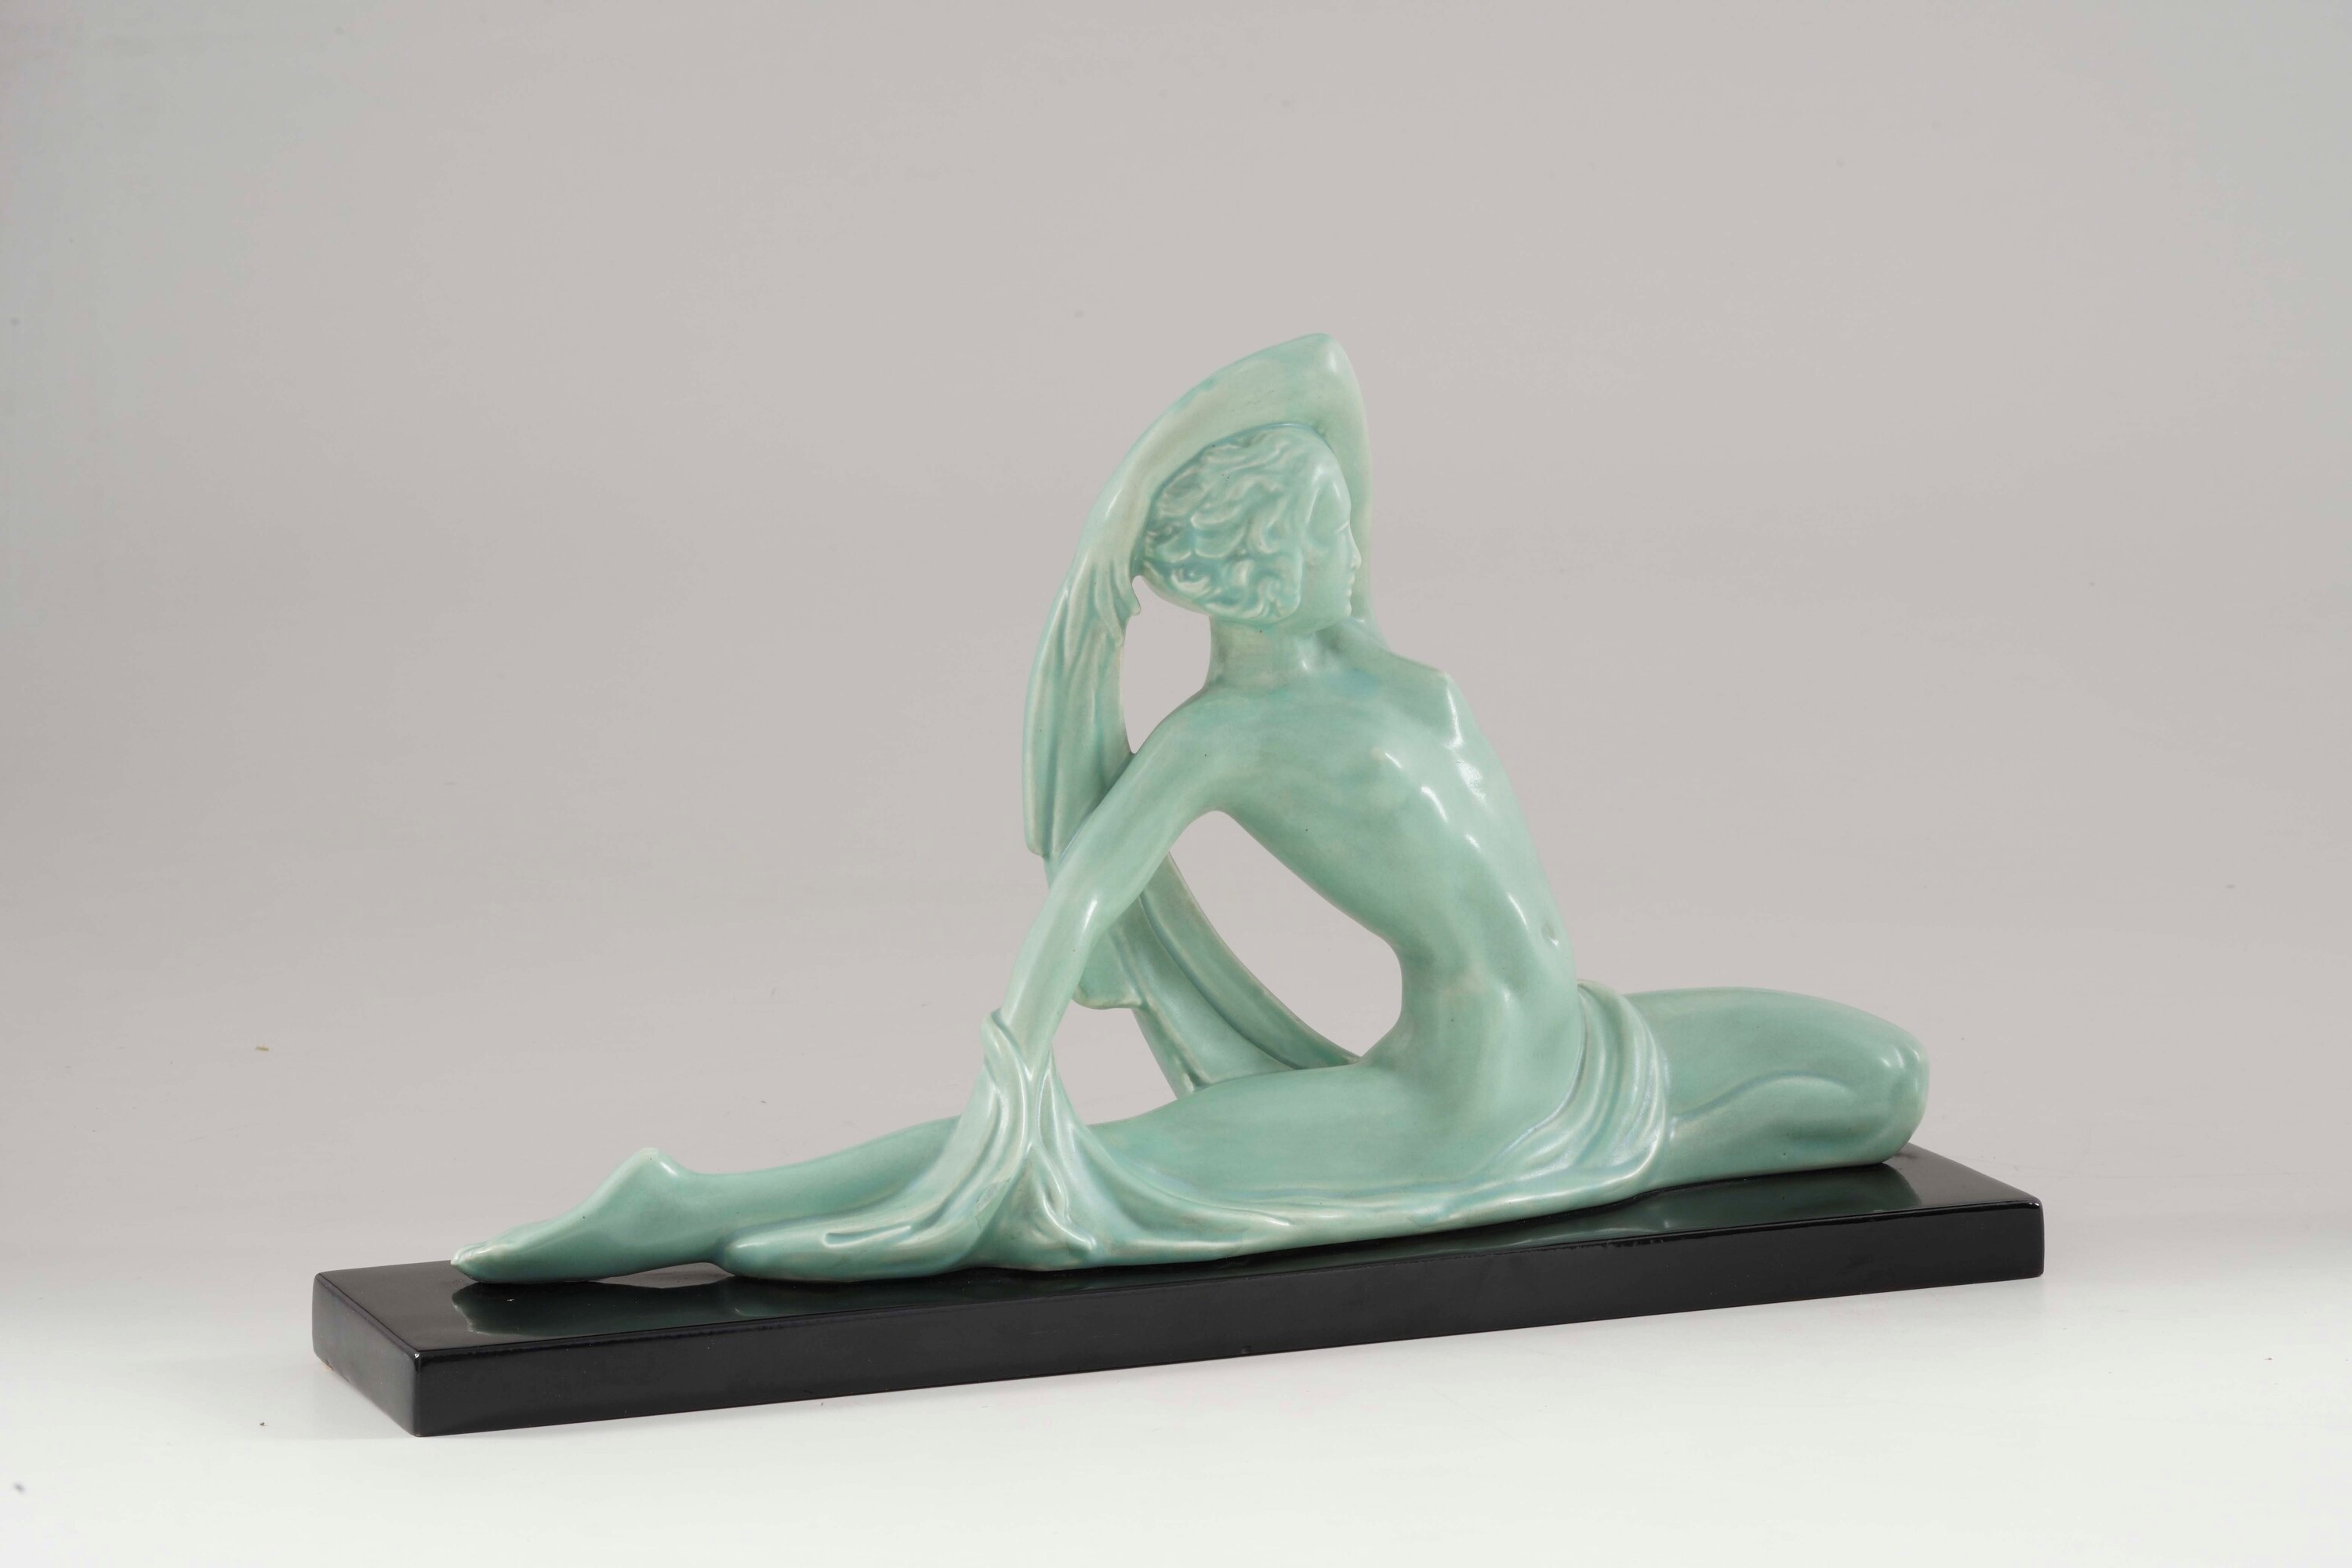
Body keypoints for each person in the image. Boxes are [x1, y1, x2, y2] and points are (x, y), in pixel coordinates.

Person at [453, 336, 1926, 1284]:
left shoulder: (1367, 651)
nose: (1358, 542)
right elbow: (1087, 890)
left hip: (1601, 1051)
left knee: (1883, 1081)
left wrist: (1120, 510)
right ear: (1268, 571)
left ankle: (1599, 1163)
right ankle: (694, 1203)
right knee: (1086, 1176)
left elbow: (1323, 372)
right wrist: (1014, 1069)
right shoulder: (1222, 737)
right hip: (1458, 1101)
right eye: (1329, 530)